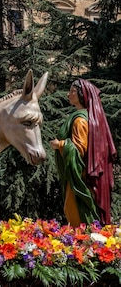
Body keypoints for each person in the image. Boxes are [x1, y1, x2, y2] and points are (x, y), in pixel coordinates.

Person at [50, 78, 116, 226]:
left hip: (79, 177)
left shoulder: (80, 120)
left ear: (82, 94)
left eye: (72, 91)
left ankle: (82, 242)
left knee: (74, 210)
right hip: (83, 175)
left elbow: (79, 149)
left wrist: (59, 144)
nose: (68, 94)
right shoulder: (89, 117)